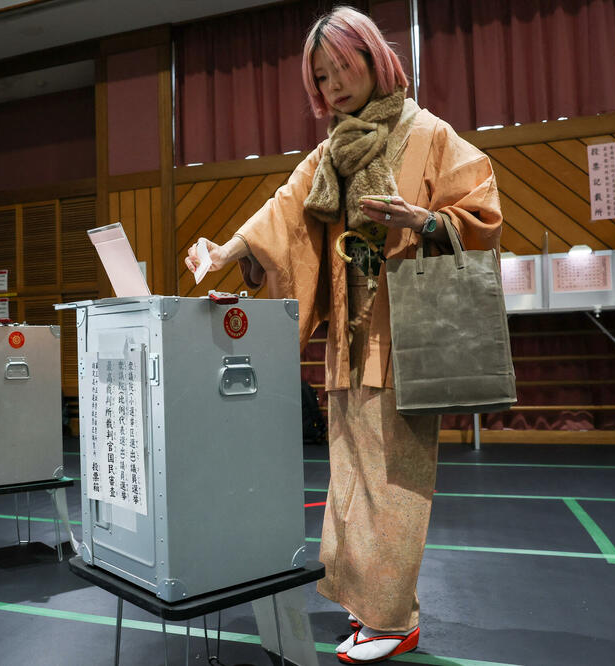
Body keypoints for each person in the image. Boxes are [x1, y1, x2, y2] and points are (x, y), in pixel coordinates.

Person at [185, 7, 502, 664]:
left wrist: (428, 219)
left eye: (340, 70)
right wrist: (228, 250)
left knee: (395, 483)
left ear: (371, 56)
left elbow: (482, 210)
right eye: (319, 79)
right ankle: (367, 609)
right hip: (347, 345)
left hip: (406, 337)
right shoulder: (331, 154)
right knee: (351, 483)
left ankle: (394, 619)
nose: (331, 88)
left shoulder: (428, 134)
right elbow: (284, 218)